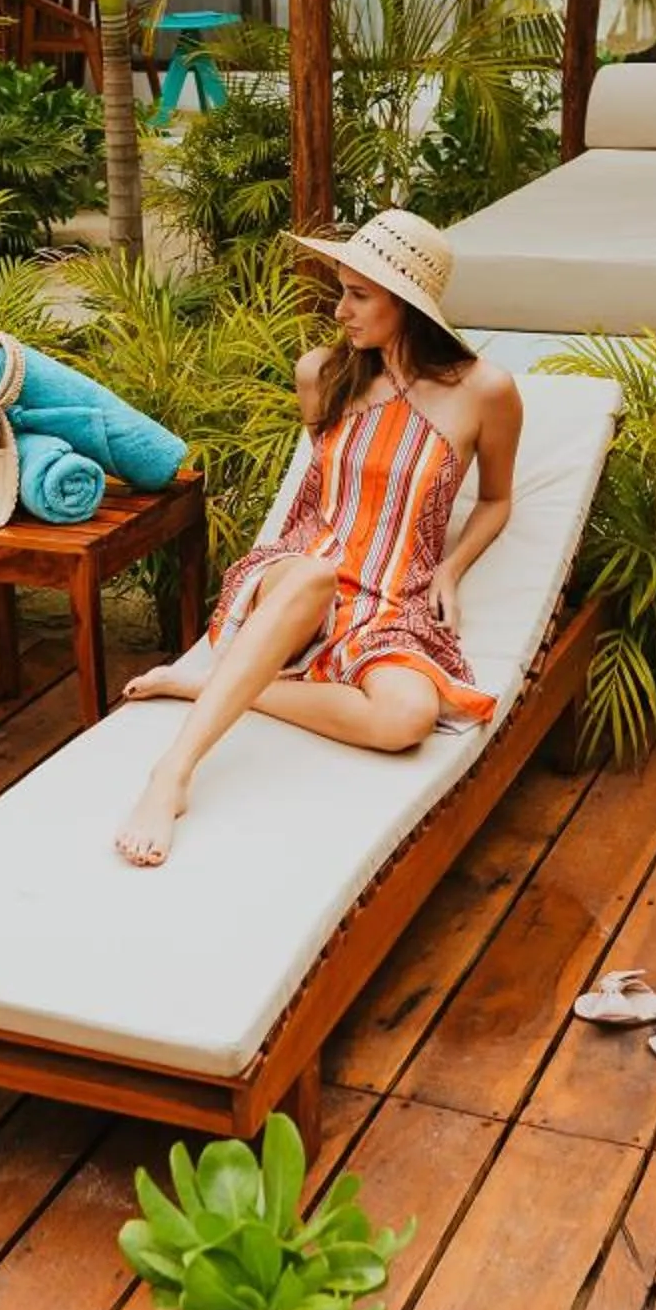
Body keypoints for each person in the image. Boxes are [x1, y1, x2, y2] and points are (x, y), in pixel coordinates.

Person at [114, 209, 521, 866]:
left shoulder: (485, 392)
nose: (340, 311)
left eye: (359, 295)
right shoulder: (321, 373)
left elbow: (497, 500)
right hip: (297, 575)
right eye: (342, 290)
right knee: (313, 574)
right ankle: (173, 774)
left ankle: (209, 686)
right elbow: (326, 504)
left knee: (407, 720)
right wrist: (315, 568)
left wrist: (449, 569)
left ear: (408, 306)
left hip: (389, 602)